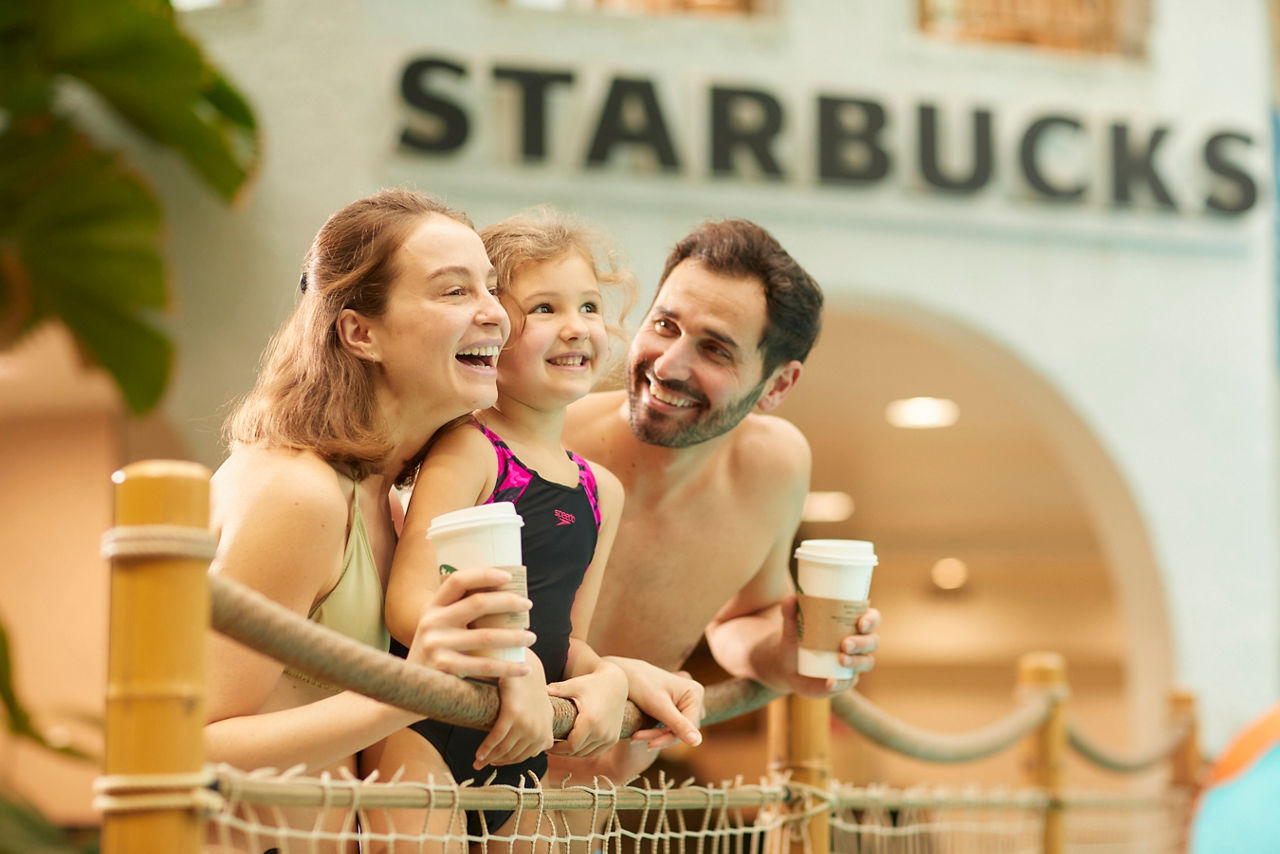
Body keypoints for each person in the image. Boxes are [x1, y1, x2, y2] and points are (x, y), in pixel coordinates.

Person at [206, 189, 533, 850]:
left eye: (491, 288)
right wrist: (414, 690)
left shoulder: (387, 498)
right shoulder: (300, 494)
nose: (496, 314)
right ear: (360, 332)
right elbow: (185, 744)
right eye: (453, 292)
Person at [377, 208, 703, 841]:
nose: (576, 328)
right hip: (424, 724)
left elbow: (566, 640)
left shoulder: (599, 490)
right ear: (492, 328)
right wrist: (515, 666)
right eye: (546, 310)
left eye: (588, 307)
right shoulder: (470, 450)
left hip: (521, 747)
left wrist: (608, 675)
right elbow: (409, 604)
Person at [554, 217, 882, 785]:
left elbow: (745, 616)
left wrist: (786, 655)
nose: (668, 365)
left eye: (714, 350)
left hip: (590, 806)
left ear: (777, 386)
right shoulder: (545, 440)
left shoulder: (774, 468)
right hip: (444, 781)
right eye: (664, 325)